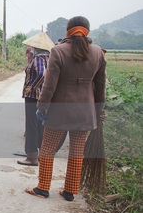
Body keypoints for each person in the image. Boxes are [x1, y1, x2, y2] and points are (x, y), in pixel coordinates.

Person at [25, 16, 106, 201]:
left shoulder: (58, 51)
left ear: (67, 31)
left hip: (59, 111)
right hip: (85, 112)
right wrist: (99, 110)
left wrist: (42, 107)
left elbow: (49, 85)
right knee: (77, 151)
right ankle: (69, 191)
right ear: (88, 30)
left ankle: (43, 188)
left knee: (47, 148)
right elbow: (100, 86)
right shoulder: (98, 53)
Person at [17, 32, 55, 166]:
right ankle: (40, 154)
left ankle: (31, 156)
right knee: (40, 125)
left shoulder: (39, 58)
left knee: (31, 125)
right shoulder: (49, 58)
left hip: (33, 96)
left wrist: (32, 87)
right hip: (44, 97)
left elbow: (41, 74)